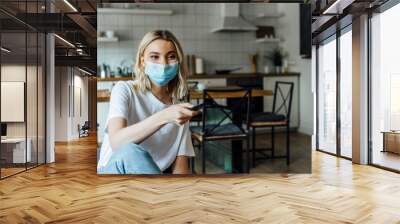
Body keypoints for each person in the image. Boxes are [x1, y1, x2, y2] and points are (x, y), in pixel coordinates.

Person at [97, 30, 199, 175]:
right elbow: (116, 142)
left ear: (178, 62)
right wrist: (165, 116)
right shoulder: (124, 90)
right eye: (154, 57)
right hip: (112, 174)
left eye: (171, 56)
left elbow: (180, 169)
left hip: (149, 183)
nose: (163, 63)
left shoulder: (178, 111)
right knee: (129, 150)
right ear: (142, 61)